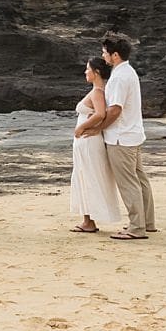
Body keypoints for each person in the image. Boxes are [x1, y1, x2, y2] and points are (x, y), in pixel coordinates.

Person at [79, 33, 156, 240]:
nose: (102, 56)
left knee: (128, 182)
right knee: (140, 180)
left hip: (121, 138)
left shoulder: (120, 77)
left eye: (104, 52)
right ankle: (147, 223)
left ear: (114, 55)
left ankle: (136, 227)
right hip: (133, 135)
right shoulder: (128, 72)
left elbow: (114, 110)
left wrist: (99, 129)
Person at [69, 57, 122, 232]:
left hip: (88, 141)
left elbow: (100, 114)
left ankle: (89, 221)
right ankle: (87, 220)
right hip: (85, 141)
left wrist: (83, 127)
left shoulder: (98, 92)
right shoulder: (96, 91)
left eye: (87, 69)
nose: (85, 72)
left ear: (96, 72)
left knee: (88, 175)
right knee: (84, 175)